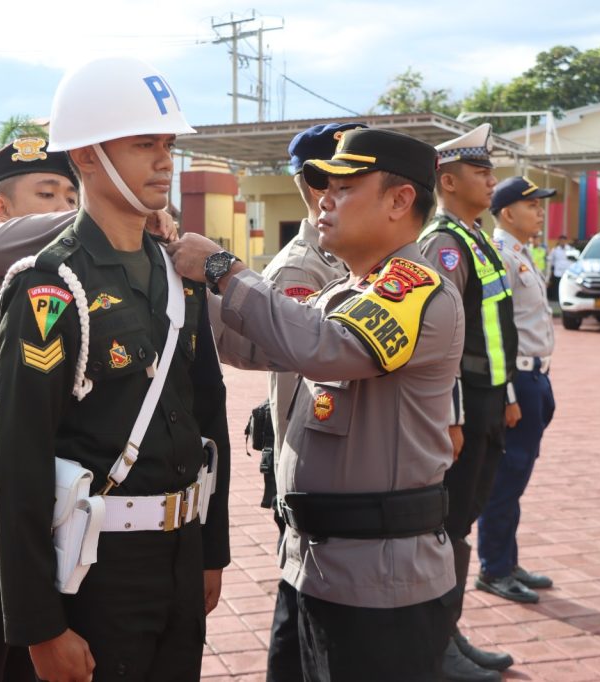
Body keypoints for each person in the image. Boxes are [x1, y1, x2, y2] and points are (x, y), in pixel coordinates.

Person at [169, 127, 464, 681]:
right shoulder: (345, 290)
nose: (324, 197)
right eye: (322, 183)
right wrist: (169, 269)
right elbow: (248, 344)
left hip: (380, 584)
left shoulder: (415, 287)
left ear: (401, 200)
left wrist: (221, 270)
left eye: (345, 186)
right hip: (315, 566)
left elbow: (324, 346)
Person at [0, 57, 231, 682]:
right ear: (90, 155)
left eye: (168, 144)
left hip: (180, 552)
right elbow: (17, 461)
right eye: (143, 143)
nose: (163, 161)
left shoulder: (177, 272)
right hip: (100, 570)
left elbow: (209, 415)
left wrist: (212, 548)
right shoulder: (51, 287)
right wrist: (39, 624)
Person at [248, 122, 360, 682]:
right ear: (320, 188)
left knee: (304, 600)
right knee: (302, 599)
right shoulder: (300, 267)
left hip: (329, 456)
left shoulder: (344, 257)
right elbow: (302, 371)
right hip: (307, 452)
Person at [419, 123, 519, 682]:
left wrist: (504, 396)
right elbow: (444, 344)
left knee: (463, 521)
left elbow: (494, 329)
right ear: (450, 181)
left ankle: (449, 632)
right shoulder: (445, 244)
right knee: (449, 526)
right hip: (464, 407)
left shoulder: (475, 237)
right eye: (482, 173)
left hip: (487, 402)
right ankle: (436, 647)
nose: (492, 180)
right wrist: (453, 415)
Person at [475, 176, 557, 604]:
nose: (540, 212)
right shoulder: (500, 255)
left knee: (518, 476)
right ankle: (494, 567)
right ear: (508, 212)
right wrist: (507, 393)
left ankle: (508, 558)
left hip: (536, 377)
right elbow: (496, 332)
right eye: (533, 205)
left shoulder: (523, 253)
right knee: (505, 477)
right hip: (517, 380)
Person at [546, 234, 572, 300]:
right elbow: (551, 260)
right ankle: (557, 298)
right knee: (558, 286)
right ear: (559, 241)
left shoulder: (570, 249)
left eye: (564, 241)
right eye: (561, 241)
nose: (562, 242)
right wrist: (551, 269)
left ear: (566, 241)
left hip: (567, 271)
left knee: (566, 285)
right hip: (558, 271)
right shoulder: (555, 250)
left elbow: (573, 260)